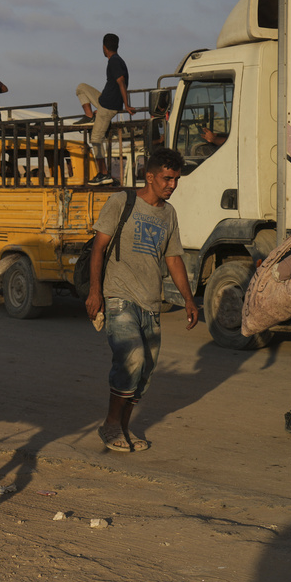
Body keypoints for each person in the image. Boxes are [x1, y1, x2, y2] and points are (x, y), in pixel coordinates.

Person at [85, 148, 199, 452]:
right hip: (119, 296)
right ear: (149, 176)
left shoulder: (168, 214)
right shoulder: (122, 202)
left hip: (151, 302)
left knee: (144, 371)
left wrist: (189, 299)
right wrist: (95, 291)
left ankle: (123, 426)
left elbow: (173, 259)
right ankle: (110, 425)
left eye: (176, 179)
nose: (172, 185)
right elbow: (98, 248)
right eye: (167, 178)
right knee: (130, 357)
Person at [75, 33, 137, 185]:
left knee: (95, 140)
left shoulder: (114, 61)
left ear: (104, 47)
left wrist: (126, 104)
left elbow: (121, 81)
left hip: (108, 106)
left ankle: (103, 173)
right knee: (81, 88)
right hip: (104, 101)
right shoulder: (116, 60)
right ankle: (90, 116)